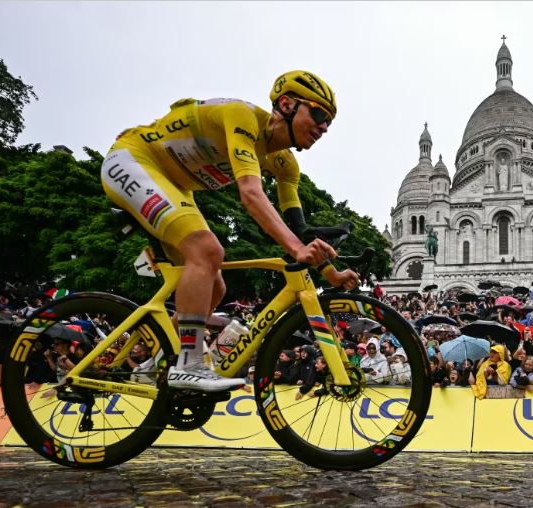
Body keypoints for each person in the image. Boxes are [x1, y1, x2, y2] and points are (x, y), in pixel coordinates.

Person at [100, 71, 358, 392]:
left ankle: (161, 361)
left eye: (329, 122)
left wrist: (330, 274)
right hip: (133, 159)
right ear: (288, 105)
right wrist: (297, 249)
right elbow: (250, 194)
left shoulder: (286, 164)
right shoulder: (243, 118)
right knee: (207, 251)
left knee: (216, 286)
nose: (323, 127)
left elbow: (298, 231)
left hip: (175, 185)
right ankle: (189, 364)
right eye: (318, 115)